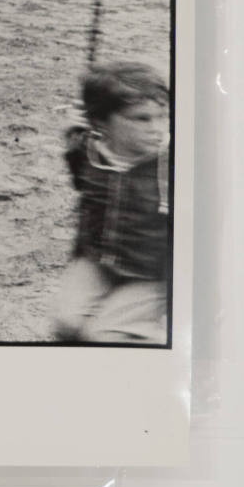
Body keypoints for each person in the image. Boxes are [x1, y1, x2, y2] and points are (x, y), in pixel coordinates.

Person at [51, 61, 170, 344]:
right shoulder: (88, 150)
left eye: (161, 116)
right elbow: (83, 181)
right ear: (102, 123)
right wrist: (74, 137)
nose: (156, 129)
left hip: (152, 275)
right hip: (100, 260)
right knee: (65, 323)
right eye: (141, 119)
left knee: (104, 335)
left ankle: (163, 343)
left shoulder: (174, 166)